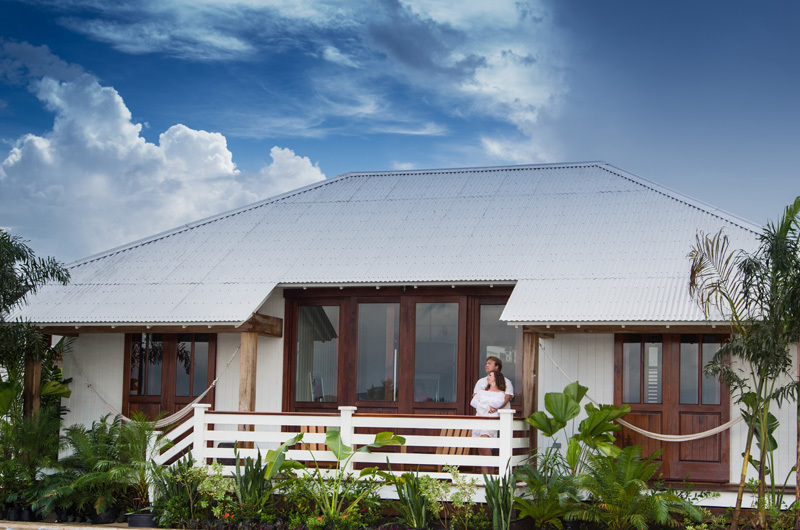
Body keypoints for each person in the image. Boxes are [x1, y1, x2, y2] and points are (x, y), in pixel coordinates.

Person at [471, 370, 507, 473]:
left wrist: (482, 402)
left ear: (496, 378)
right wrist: (486, 407)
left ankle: (491, 471)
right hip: (479, 419)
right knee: (480, 448)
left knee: (484, 442)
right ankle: (485, 474)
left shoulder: (501, 393)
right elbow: (473, 402)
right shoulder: (482, 391)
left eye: (490, 375)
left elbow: (497, 403)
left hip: (490, 420)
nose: (488, 377)